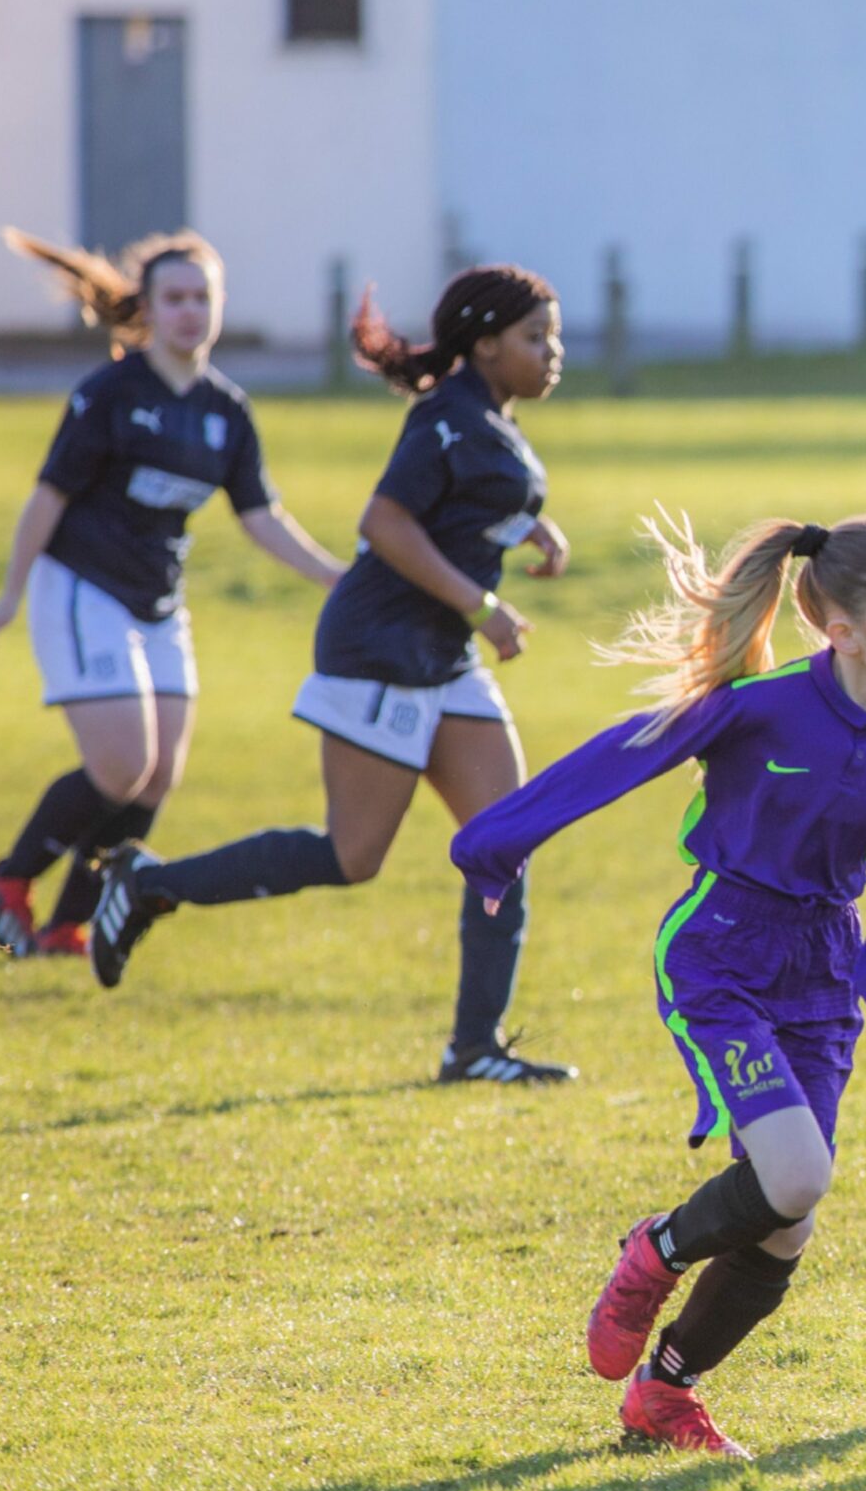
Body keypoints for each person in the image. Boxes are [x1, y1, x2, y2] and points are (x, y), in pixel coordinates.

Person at [452, 512, 866, 1456]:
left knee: (788, 1219)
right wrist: (494, 844)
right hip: (720, 949)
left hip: (819, 964)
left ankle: (664, 1393)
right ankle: (653, 1252)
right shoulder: (761, 704)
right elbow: (619, 757)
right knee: (796, 1177)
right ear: (842, 630)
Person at [90, 266, 578, 1085]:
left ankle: (475, 1048)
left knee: (506, 841)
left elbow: (472, 500)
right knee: (352, 857)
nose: (553, 352)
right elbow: (384, 522)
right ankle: (148, 883)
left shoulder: (489, 421)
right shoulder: (445, 420)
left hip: (441, 657)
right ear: (486, 343)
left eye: (552, 336)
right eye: (537, 338)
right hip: (380, 647)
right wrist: (480, 603)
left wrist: (532, 527)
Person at [0, 228, 345, 959]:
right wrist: (9, 594)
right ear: (149, 307)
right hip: (83, 587)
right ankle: (7, 879)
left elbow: (260, 516)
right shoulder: (110, 394)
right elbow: (46, 498)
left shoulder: (226, 410)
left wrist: (334, 575)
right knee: (119, 765)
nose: (190, 312)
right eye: (175, 298)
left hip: (160, 603)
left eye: (203, 297)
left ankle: (67, 923)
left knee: (158, 773)